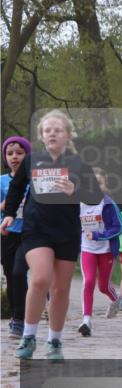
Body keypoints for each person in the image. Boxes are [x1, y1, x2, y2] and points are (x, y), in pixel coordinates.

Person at [3, 110, 103, 361]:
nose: (52, 134)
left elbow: (94, 196)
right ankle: (28, 335)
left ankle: (54, 341)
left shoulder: (79, 164)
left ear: (68, 135)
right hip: (36, 229)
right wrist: (10, 214)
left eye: (57, 130)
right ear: (41, 136)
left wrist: (75, 189)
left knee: (60, 290)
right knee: (40, 278)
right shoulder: (31, 161)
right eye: (47, 130)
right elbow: (16, 188)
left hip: (66, 231)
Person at [77, 166, 122, 335]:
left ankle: (116, 298)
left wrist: (98, 235)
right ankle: (86, 321)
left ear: (105, 185)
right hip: (87, 249)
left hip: (106, 250)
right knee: (88, 281)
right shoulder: (79, 203)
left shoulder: (108, 204)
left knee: (103, 286)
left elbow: (119, 228)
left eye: (99, 183)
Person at [1, 136, 30, 339]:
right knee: (12, 276)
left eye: (20, 153)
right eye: (10, 153)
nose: (14, 157)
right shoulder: (2, 181)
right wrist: (5, 206)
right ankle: (16, 315)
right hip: (8, 234)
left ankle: (23, 317)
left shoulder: (33, 179)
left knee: (21, 274)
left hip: (30, 233)